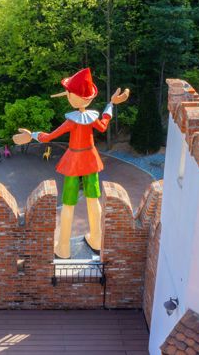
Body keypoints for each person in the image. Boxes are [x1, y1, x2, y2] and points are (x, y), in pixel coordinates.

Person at [14, 67, 129, 258]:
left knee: (68, 204)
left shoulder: (71, 121)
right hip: (90, 160)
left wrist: (31, 135)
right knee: (93, 199)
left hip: (74, 162)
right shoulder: (91, 118)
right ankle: (97, 240)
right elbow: (103, 125)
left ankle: (63, 248)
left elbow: (48, 137)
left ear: (72, 97)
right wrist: (111, 104)